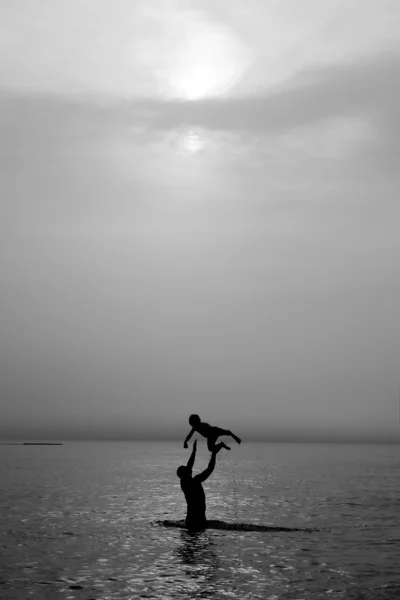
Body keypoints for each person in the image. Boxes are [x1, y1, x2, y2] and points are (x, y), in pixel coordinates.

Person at [177, 439, 221, 529]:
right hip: (195, 521)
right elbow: (210, 468)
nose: (190, 469)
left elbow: (191, 466)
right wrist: (214, 454)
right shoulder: (193, 482)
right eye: (188, 469)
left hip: (195, 520)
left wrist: (194, 451)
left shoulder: (186, 482)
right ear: (186, 473)